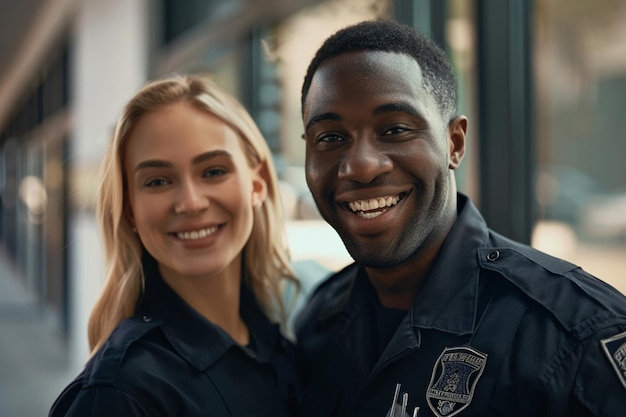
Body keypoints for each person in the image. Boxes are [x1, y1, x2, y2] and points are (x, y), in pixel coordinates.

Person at [294, 19, 626, 417]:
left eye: (395, 129)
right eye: (330, 138)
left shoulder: (575, 336)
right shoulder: (318, 320)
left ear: (454, 143)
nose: (362, 167)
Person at [49, 74, 300, 417]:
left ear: (257, 184)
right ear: (130, 210)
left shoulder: (282, 351)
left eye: (213, 171)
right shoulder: (120, 395)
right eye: (157, 181)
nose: (190, 203)